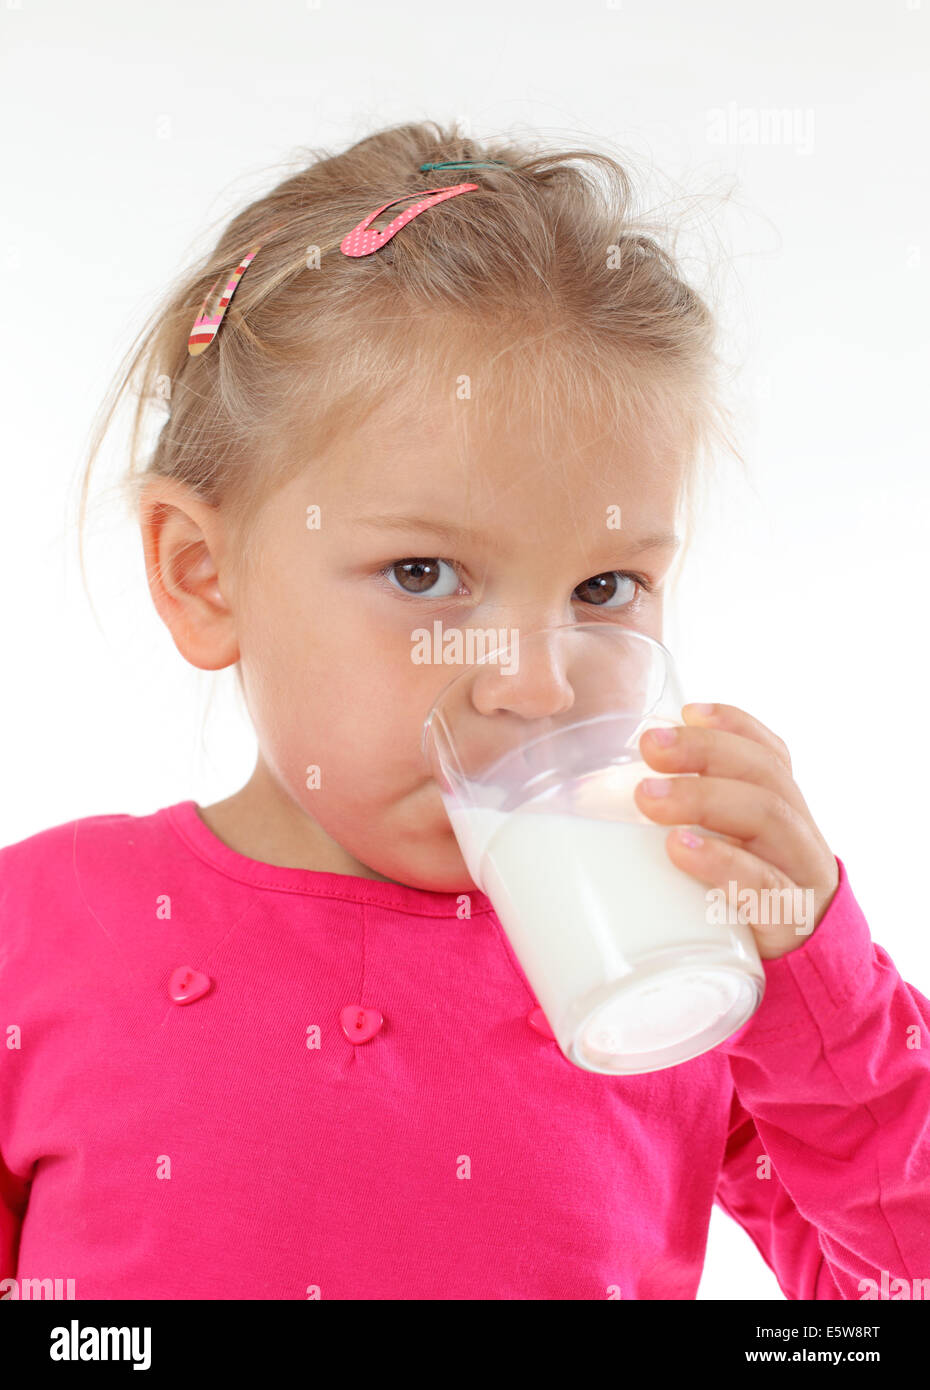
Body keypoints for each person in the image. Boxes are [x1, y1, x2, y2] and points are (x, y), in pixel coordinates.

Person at [1, 119, 927, 1300]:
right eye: (424, 575)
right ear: (202, 573)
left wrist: (818, 981)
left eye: (605, 589)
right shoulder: (34, 935)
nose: (535, 682)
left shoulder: (672, 974)